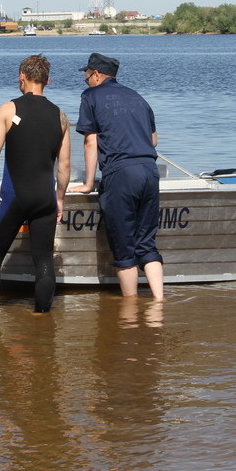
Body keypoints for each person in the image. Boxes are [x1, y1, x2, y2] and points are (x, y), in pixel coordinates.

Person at [0, 55, 71, 313]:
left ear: (22, 77)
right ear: (48, 81)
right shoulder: (60, 116)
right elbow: (64, 167)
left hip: (14, 196)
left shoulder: (9, 109)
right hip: (45, 199)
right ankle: (42, 317)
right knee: (43, 260)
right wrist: (59, 198)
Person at [70, 52, 164, 300]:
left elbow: (91, 142)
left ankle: (130, 311)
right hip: (149, 171)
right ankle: (159, 303)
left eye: (87, 75)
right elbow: (153, 140)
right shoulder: (137, 97)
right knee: (147, 243)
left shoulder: (91, 96)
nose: (86, 80)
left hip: (121, 174)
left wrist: (88, 183)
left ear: (97, 75)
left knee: (124, 248)